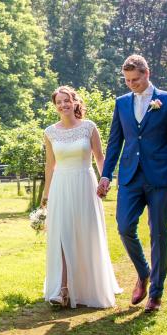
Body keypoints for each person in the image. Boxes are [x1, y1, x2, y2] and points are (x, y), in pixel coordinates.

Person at [98, 54, 167, 312]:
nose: (131, 84)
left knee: (159, 232)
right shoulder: (121, 103)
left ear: (147, 74)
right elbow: (115, 142)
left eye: (135, 80)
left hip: (160, 177)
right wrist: (106, 174)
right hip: (130, 176)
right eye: (127, 80)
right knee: (124, 226)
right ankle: (143, 272)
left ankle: (156, 294)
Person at [41, 85, 122, 308]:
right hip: (61, 186)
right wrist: (46, 196)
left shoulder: (89, 127)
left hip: (86, 184)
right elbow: (50, 166)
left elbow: (100, 157)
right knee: (61, 234)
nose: (63, 105)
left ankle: (88, 286)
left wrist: (106, 180)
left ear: (75, 102)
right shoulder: (50, 132)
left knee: (86, 233)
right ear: (55, 106)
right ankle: (62, 289)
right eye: (59, 102)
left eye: (67, 100)